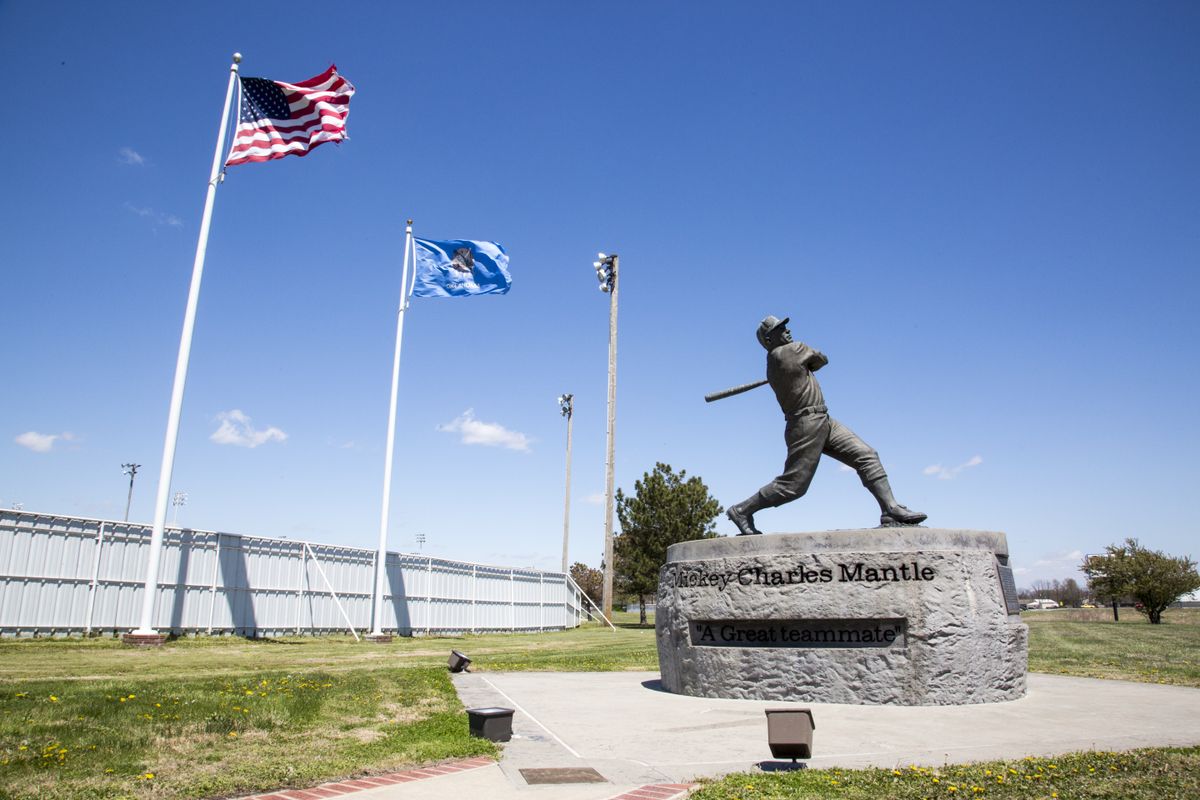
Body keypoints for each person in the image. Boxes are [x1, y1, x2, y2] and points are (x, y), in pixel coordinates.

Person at [726, 315, 927, 535]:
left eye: (785, 326)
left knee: (867, 455)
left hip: (823, 419)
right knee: (793, 486)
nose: (787, 330)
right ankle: (742, 510)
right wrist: (809, 361)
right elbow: (822, 359)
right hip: (806, 424)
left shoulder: (775, 360)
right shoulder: (792, 350)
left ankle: (890, 509)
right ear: (769, 338)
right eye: (780, 329)